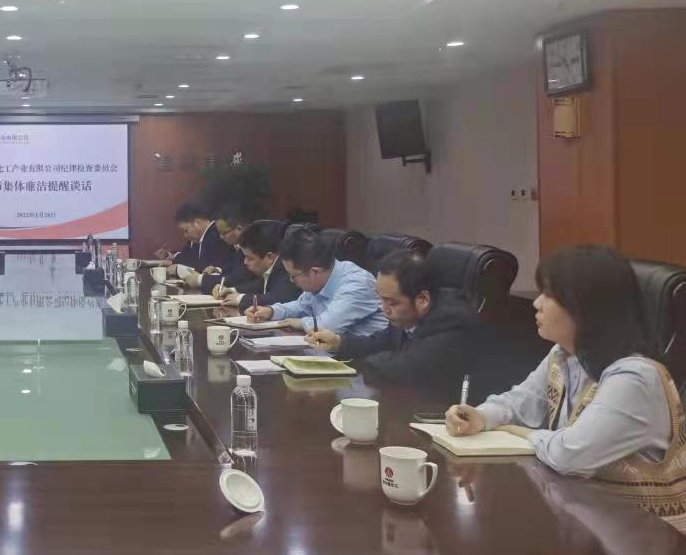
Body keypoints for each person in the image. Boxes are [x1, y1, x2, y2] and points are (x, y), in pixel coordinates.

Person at [444, 245, 685, 533]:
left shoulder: (634, 378)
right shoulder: (565, 355)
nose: (536, 303)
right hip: (587, 525)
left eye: (549, 295)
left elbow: (570, 454)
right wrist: (481, 416)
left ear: (584, 306)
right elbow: (522, 401)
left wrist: (518, 431)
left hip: (646, 539)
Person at [305, 250, 482, 391]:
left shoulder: (452, 322)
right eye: (381, 299)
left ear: (422, 300)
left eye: (392, 302)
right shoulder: (405, 314)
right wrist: (338, 343)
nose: (384, 308)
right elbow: (377, 343)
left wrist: (358, 366)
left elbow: (406, 366)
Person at [245, 228, 387, 337]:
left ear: (314, 272)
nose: (291, 281)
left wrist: (300, 322)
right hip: (330, 353)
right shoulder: (321, 280)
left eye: (293, 276)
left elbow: (328, 326)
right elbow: (301, 306)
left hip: (363, 360)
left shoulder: (356, 284)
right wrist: (270, 311)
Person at [214, 220, 300, 310]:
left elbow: (277, 299)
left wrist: (240, 299)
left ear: (270, 257)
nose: (245, 262)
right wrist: (232, 290)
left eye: (250, 258)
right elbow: (259, 285)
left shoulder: (286, 269)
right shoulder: (272, 269)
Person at [153, 199, 233, 272]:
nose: (185, 235)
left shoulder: (217, 236)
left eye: (186, 230)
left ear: (197, 223)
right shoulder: (198, 238)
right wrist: (171, 260)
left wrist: (178, 268)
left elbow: (205, 266)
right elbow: (187, 256)